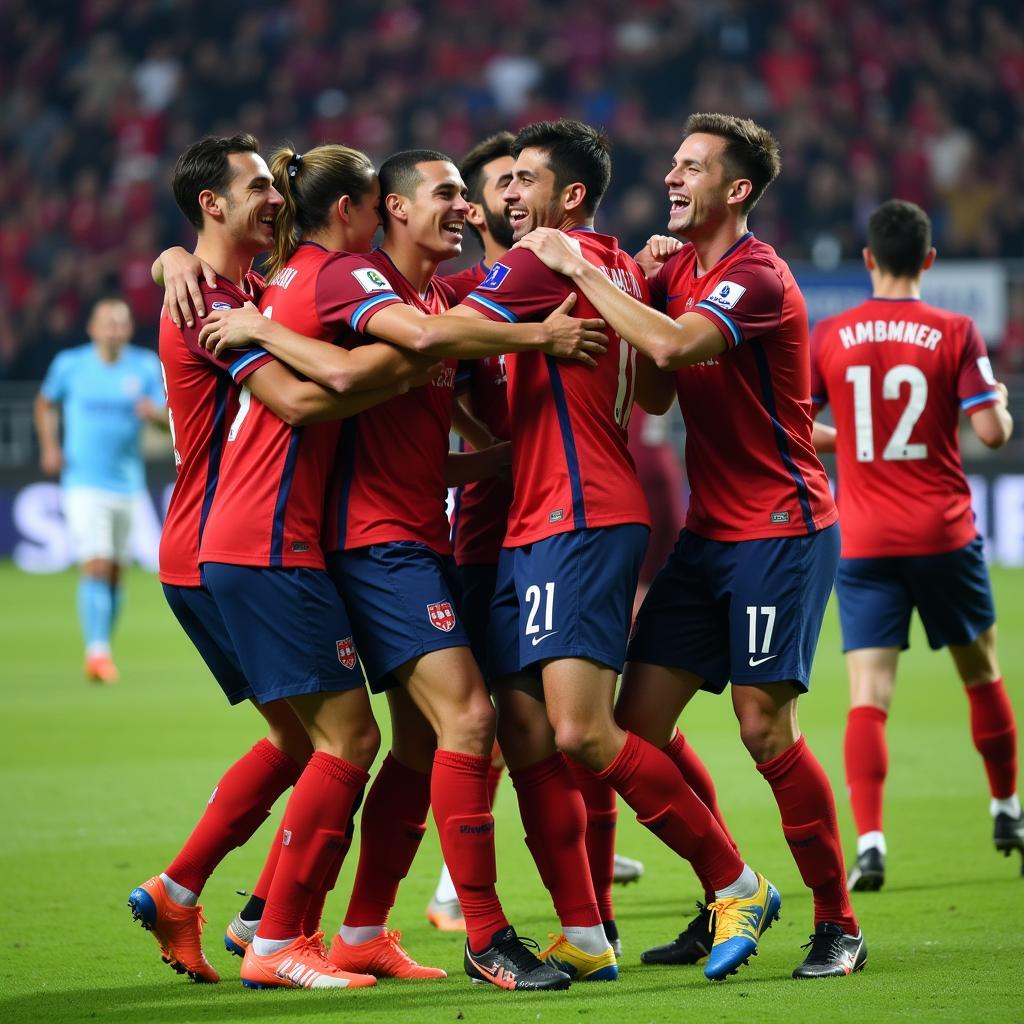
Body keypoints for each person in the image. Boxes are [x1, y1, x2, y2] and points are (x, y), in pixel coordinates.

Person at [198, 145, 606, 991]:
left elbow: (448, 326)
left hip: (418, 538)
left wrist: (638, 260)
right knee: (469, 722)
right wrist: (542, 335)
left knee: (417, 744)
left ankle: (358, 928)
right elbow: (393, 351)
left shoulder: (431, 294)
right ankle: (485, 934)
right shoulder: (356, 281)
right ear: (389, 206)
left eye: (471, 193)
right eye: (449, 193)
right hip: (371, 546)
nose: (465, 206)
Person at [517, 112, 865, 979]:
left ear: (736, 190)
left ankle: (838, 922)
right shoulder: (684, 273)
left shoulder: (756, 275)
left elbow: (671, 345)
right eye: (672, 163)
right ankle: (732, 892)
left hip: (781, 529)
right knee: (631, 726)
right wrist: (644, 284)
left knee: (763, 727)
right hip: (713, 532)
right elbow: (664, 394)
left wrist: (574, 264)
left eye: (693, 167)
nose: (672, 178)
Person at [452, 118, 780, 984]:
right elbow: (661, 392)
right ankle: (587, 934)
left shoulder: (549, 253)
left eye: (523, 180)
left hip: (579, 515)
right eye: (504, 180)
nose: (506, 194)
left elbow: (435, 331)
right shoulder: (625, 266)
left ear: (568, 196)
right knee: (524, 731)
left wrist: (299, 311)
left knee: (582, 732)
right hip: (541, 518)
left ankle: (736, 882)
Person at [129, 132, 430, 989]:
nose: (276, 197)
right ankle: (272, 932)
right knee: (341, 738)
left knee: (303, 743)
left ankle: (197, 894)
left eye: (278, 183)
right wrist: (416, 359)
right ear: (212, 206)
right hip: (232, 542)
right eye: (258, 186)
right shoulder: (207, 307)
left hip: (230, 540)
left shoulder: (244, 288)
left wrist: (167, 258)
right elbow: (300, 397)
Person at [809, 198, 1022, 889]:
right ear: (928, 260)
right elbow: (991, 433)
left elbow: (788, 422)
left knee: (869, 693)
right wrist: (999, 411)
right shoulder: (954, 329)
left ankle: (869, 842)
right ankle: (1006, 806)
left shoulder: (831, 334)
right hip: (941, 530)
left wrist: (847, 441)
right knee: (980, 671)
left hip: (863, 537)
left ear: (868, 260)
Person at [35, 296, 165, 684]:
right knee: (95, 563)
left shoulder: (143, 367)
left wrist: (153, 414)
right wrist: (50, 447)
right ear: (93, 328)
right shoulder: (70, 365)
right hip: (83, 483)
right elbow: (45, 404)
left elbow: (165, 422)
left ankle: (102, 645)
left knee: (115, 573)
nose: (114, 330)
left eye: (120, 323)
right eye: (107, 323)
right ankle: (96, 652)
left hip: (127, 483)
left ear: (128, 329)